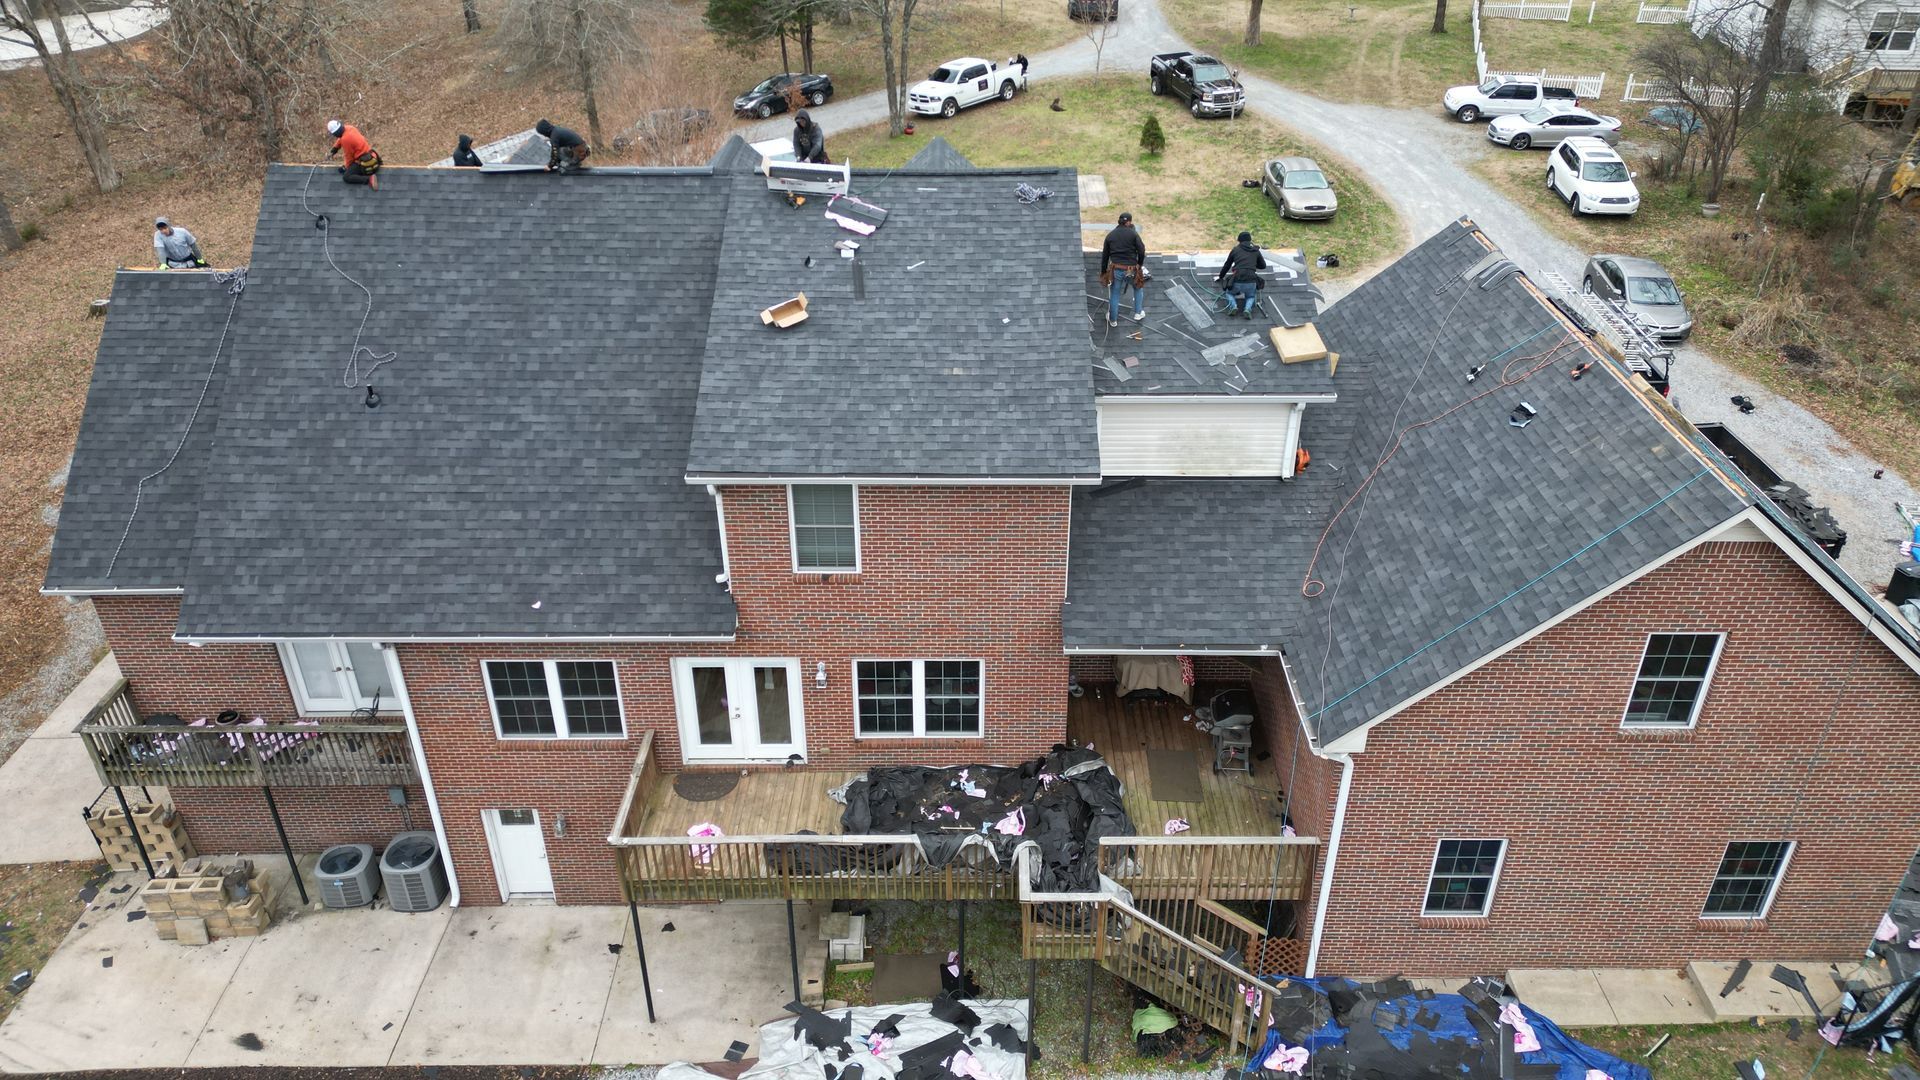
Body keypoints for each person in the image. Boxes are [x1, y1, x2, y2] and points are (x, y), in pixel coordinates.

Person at [1100, 211, 1147, 327]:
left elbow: (1105, 256)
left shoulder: (1110, 235)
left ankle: (1113, 320)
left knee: (1115, 293)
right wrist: (1139, 264)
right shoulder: (1133, 234)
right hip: (1131, 269)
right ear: (1129, 222)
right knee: (1137, 288)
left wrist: (1103, 272)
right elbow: (1141, 250)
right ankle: (1138, 313)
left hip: (1116, 269)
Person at [1214, 231, 1268, 319]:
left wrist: (1220, 276)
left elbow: (1227, 265)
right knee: (1250, 296)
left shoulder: (1235, 250)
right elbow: (1263, 266)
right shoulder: (1256, 251)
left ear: (1239, 241)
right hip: (1251, 279)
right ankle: (1247, 309)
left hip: (1237, 279)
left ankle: (1234, 306)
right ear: (1250, 240)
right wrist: (1252, 265)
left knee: (1229, 293)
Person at [327, 120, 381, 190]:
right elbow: (341, 138)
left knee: (347, 177)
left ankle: (369, 179)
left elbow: (349, 157)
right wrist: (334, 149)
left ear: (335, 133)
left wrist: (346, 168)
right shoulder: (349, 128)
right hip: (372, 155)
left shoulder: (345, 139)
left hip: (364, 161)